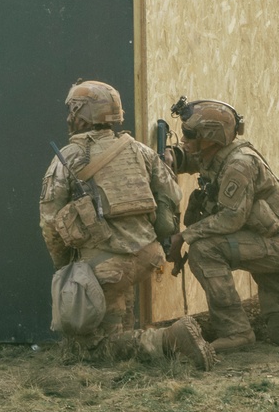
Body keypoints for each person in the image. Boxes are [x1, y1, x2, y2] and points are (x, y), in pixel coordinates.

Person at [40, 80, 216, 370]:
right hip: (146, 257)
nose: (69, 117)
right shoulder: (140, 151)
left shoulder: (69, 157)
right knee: (117, 327)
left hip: (105, 267)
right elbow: (171, 197)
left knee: (85, 350)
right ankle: (143, 346)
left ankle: (170, 339)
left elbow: (49, 221)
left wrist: (65, 269)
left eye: (73, 111)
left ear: (81, 115)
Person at [166, 98, 279, 350]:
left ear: (210, 138)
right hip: (275, 243)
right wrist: (174, 157)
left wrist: (183, 237)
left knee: (204, 250)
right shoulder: (219, 154)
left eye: (190, 135)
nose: (184, 140)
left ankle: (235, 332)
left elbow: (230, 218)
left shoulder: (239, 164)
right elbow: (195, 160)